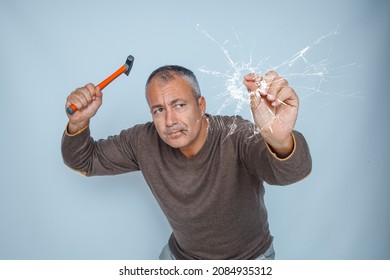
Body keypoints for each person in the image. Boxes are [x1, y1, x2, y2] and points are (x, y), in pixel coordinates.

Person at [61, 65, 312, 260]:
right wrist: (78, 122)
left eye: (179, 105)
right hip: (181, 258)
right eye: (158, 110)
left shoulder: (236, 134)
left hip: (249, 260)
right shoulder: (143, 140)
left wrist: (279, 140)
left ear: (200, 105)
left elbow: (292, 172)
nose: (169, 120)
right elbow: (84, 161)